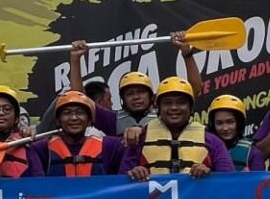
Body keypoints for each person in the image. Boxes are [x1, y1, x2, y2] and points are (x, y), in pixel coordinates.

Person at [67, 33, 203, 139]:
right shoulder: (112, 120)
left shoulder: (164, 115)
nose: (136, 97)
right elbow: (79, 99)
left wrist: (187, 54)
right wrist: (75, 60)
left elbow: (194, 90)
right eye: (130, 94)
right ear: (123, 99)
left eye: (141, 92)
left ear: (151, 96)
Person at [123, 77, 235, 180]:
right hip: (151, 196)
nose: (174, 107)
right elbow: (121, 181)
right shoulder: (139, 139)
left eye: (181, 103)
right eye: (167, 103)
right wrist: (134, 172)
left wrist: (209, 174)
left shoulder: (213, 142)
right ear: (158, 108)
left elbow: (229, 181)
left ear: (191, 107)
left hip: (198, 196)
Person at [33, 91, 125, 176]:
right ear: (58, 120)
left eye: (80, 113)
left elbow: (130, 153)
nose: (74, 118)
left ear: (89, 120)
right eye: (67, 113)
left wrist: (133, 132)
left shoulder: (110, 146)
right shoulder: (42, 149)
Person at [205, 95, 265, 171]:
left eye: (230, 122)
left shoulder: (253, 153)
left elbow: (259, 178)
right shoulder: (204, 150)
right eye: (219, 123)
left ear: (239, 123)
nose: (225, 128)